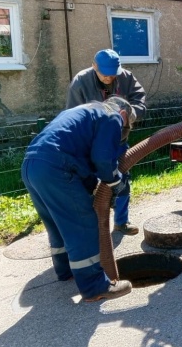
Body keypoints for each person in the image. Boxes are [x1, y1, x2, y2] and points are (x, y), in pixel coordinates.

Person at [21, 96, 136, 302]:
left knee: (57, 224)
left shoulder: (86, 111)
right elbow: (102, 158)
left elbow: (81, 153)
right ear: (124, 114)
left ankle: (66, 270)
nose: (123, 131)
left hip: (32, 165)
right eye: (126, 126)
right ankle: (94, 286)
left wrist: (96, 186)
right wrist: (114, 182)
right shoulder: (112, 116)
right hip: (57, 167)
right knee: (83, 223)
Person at [66, 49, 146, 235]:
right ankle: (93, 228)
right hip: (90, 143)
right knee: (90, 182)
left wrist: (130, 114)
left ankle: (121, 222)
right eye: (105, 74)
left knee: (122, 178)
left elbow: (140, 103)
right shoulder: (80, 82)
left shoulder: (126, 77)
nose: (109, 78)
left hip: (118, 140)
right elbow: (73, 116)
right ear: (94, 66)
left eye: (113, 74)